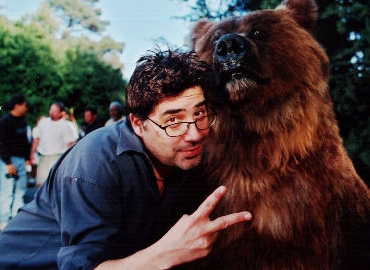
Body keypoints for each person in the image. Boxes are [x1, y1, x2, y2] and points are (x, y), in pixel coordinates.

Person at [0, 49, 252, 269]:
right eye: (173, 121)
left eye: (200, 113)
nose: (195, 134)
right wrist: (169, 253)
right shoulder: (95, 162)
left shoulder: (182, 157)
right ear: (137, 124)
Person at [0, 95, 31, 230]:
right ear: (17, 105)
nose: (26, 108)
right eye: (24, 105)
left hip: (21, 161)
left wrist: (27, 159)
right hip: (9, 161)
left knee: (20, 190)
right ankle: (4, 219)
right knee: (7, 190)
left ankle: (17, 218)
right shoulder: (4, 122)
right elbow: (1, 144)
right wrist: (8, 163)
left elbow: (25, 142)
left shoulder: (23, 122)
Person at [30, 102, 78, 186]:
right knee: (40, 183)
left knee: (54, 184)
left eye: (55, 111)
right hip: (43, 157)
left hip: (57, 158)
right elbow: (36, 140)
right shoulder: (43, 123)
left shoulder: (65, 125)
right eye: (51, 110)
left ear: (61, 113)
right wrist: (32, 154)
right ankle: (41, 199)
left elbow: (69, 144)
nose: (51, 112)